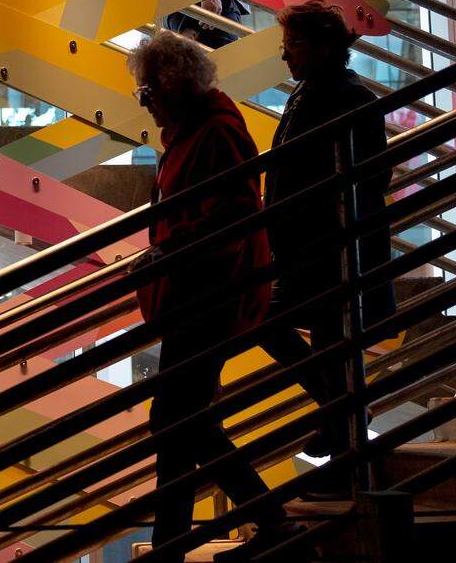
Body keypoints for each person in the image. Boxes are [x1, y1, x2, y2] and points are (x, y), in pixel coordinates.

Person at [129, 31, 304, 562]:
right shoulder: (194, 131)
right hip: (196, 294)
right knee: (186, 422)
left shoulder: (215, 133)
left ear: (173, 85)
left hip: (209, 295)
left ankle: (258, 523)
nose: (145, 102)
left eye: (147, 91)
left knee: (176, 421)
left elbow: (231, 214)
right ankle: (183, 541)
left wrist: (168, 252)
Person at [264, 1, 396, 485]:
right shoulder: (319, 91)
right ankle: (339, 421)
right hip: (313, 249)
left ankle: (343, 433)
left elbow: (368, 177)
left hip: (329, 251)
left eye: (292, 46)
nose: (286, 57)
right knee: (327, 349)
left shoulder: (344, 97)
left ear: (322, 45)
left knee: (312, 338)